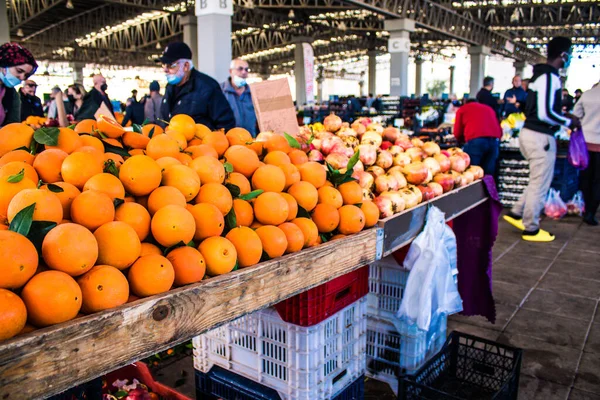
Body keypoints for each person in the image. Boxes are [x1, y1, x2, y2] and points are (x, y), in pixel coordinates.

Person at [503, 37, 581, 242]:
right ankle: (531, 228)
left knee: (536, 180)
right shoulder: (549, 77)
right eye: (569, 55)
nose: (569, 59)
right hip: (540, 137)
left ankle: (517, 212)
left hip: (530, 134)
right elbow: (545, 112)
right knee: (540, 184)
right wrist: (568, 121)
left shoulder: (540, 76)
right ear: (563, 55)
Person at [159, 42, 235, 130]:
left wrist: (211, 141)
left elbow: (226, 123)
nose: (165, 70)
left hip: (200, 142)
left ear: (186, 66)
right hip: (171, 142)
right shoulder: (170, 87)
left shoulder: (208, 87)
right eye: (163, 65)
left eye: (170, 65)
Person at [573, 84, 600, 225]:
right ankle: (591, 211)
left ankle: (586, 207)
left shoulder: (587, 94)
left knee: (586, 177)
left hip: (585, 141)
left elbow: (575, 114)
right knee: (598, 180)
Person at [453, 99, 502, 176]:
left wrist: (461, 141)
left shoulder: (463, 109)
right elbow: (498, 127)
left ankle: (474, 188)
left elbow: (457, 132)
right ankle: (488, 187)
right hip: (494, 141)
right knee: (489, 173)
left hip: (476, 141)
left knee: (472, 171)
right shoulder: (488, 108)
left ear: (465, 103)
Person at [0, 42, 38, 126]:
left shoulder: (12, 95)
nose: (22, 77)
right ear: (3, 65)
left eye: (26, 75)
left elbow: (12, 127)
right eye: (19, 71)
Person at [221, 58, 257, 137]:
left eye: (246, 69)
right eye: (240, 69)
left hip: (251, 140)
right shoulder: (220, 91)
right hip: (228, 142)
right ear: (230, 71)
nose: (244, 72)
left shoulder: (253, 93)